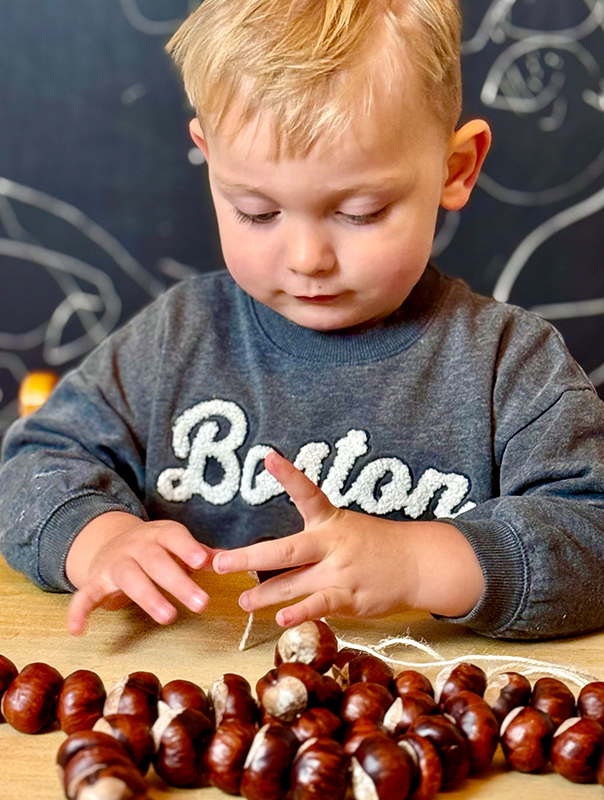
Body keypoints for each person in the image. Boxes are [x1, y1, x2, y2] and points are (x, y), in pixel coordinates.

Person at [2, 0, 604, 642]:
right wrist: (101, 539)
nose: (307, 258)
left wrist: (420, 565)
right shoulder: (176, 340)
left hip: (418, 695)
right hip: (196, 688)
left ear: (455, 170)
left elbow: (591, 532)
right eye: (257, 212)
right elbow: (36, 462)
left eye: (361, 212)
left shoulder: (510, 365)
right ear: (210, 159)